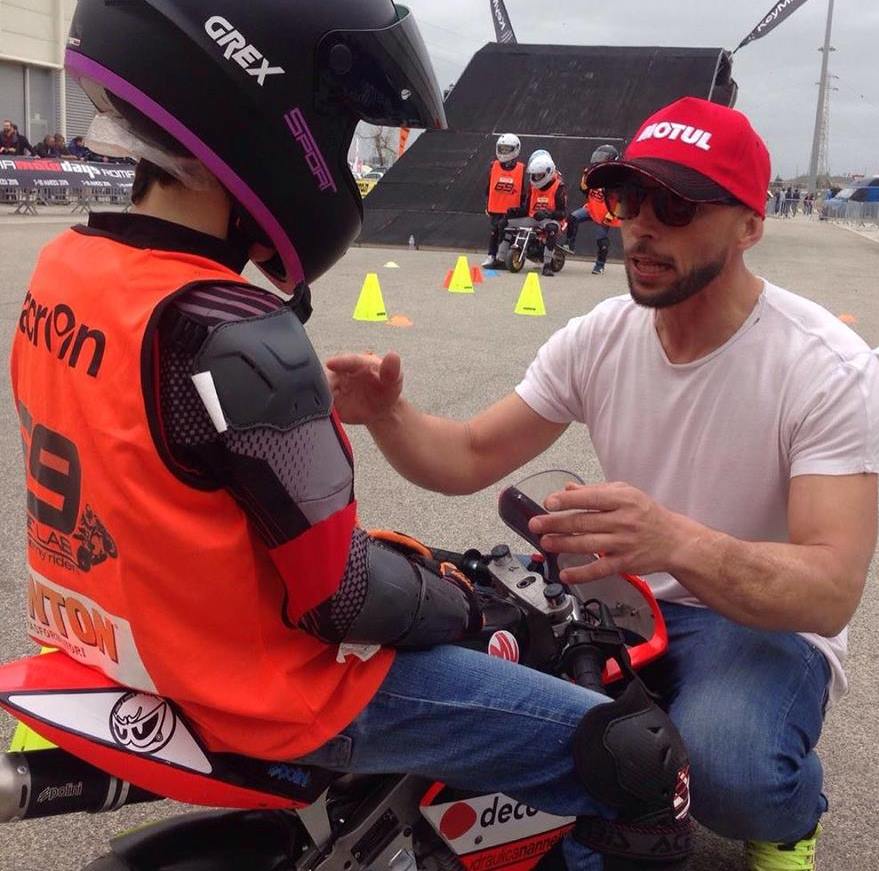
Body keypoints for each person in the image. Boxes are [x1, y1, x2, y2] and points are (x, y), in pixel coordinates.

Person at [10, 3, 692, 871]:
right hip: (261, 688)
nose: (334, 159)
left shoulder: (69, 268)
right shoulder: (235, 329)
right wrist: (467, 605)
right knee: (636, 761)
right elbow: (338, 596)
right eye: (337, 131)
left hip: (107, 643)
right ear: (262, 110)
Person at [327, 96, 879, 871]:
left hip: (755, 616)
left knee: (727, 770)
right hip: (615, 594)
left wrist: (674, 539)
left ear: (749, 224)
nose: (642, 226)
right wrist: (390, 415)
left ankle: (788, 815)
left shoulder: (826, 369)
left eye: (677, 205)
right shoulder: (602, 334)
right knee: (474, 702)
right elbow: (464, 456)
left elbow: (827, 588)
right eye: (627, 198)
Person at [497, 151, 568, 277]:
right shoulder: (533, 186)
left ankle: (547, 265)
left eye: (539, 175)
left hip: (551, 220)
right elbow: (527, 208)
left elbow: (562, 213)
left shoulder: (559, 187)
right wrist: (515, 211)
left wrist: (547, 214)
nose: (536, 178)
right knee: (505, 222)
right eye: (534, 175)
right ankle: (501, 258)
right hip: (533, 217)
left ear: (548, 172)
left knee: (551, 229)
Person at [562, 144, 622, 274]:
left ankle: (600, 265)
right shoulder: (593, 173)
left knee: (601, 238)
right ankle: (569, 244)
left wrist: (612, 214)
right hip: (591, 208)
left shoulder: (616, 179)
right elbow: (585, 190)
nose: (598, 160)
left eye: (603, 157)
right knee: (573, 218)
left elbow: (620, 200)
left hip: (605, 213)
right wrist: (584, 181)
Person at [481, 133, 526, 269]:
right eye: (502, 149)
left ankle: (505, 257)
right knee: (494, 230)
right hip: (496, 206)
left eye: (507, 149)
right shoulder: (493, 166)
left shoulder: (521, 168)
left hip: (512, 209)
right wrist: (488, 204)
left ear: (516, 149)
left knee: (508, 232)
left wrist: (523, 206)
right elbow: (489, 187)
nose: (504, 152)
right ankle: (492, 255)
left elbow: (524, 190)